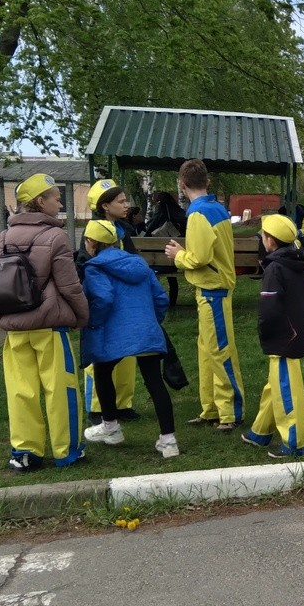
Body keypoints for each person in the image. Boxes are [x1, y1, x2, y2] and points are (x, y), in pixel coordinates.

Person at [0, 173, 89, 472]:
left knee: (21, 391)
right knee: (61, 389)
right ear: (40, 202)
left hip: (15, 329)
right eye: (56, 198)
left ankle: (25, 452)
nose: (60, 203)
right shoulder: (55, 237)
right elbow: (70, 286)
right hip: (49, 328)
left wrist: (1, 318)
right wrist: (81, 316)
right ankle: (67, 451)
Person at [80, 220, 180, 458]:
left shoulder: (94, 267)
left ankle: (111, 427)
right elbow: (160, 298)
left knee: (103, 371)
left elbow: (103, 298)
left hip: (113, 333)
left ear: (91, 242)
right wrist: (151, 320)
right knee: (154, 381)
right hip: (145, 329)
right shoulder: (139, 263)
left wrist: (94, 322)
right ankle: (169, 441)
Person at [164, 159, 245, 431]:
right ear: (207, 182)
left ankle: (230, 412)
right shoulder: (217, 209)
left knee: (219, 352)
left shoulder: (198, 213)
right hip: (214, 289)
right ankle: (211, 408)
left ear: (182, 184)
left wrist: (178, 255)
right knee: (209, 352)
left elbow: (199, 258)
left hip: (213, 291)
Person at [242, 214, 304, 458]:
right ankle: (260, 432)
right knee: (275, 382)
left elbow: (269, 307)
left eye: (262, 236)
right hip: (296, 330)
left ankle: (295, 443)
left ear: (270, 240)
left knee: (286, 387)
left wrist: (265, 332)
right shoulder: (300, 261)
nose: (262, 239)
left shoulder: (274, 268)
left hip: (282, 337)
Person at [77, 178, 140, 425]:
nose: (126, 205)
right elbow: (85, 265)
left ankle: (123, 403)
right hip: (102, 301)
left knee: (127, 352)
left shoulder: (123, 229)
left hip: (123, 301)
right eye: (121, 201)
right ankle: (97, 407)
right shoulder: (92, 232)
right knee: (100, 353)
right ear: (105, 206)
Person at [144, 191, 188, 308]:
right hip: (176, 260)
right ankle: (172, 302)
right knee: (172, 278)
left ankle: (154, 300)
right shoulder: (180, 214)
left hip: (158, 262)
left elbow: (149, 231)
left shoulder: (160, 213)